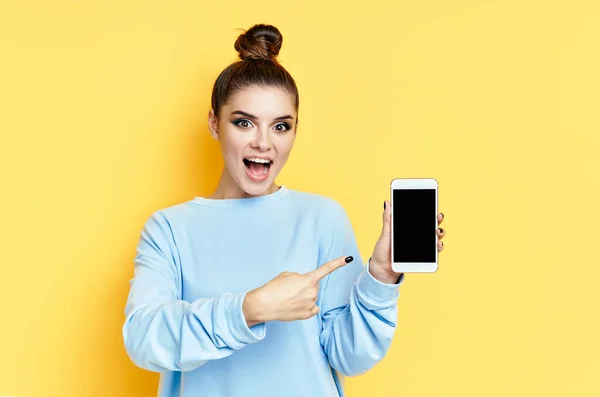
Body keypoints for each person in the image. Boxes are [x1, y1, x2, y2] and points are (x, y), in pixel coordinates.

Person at [122, 23, 446, 397]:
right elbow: (143, 338)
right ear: (214, 123)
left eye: (280, 126)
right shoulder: (169, 229)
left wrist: (381, 277)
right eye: (243, 122)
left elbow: (349, 357)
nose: (263, 143)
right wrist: (250, 308)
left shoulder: (322, 218)